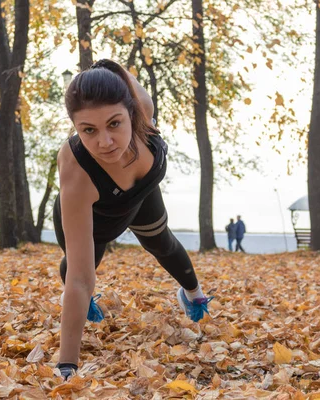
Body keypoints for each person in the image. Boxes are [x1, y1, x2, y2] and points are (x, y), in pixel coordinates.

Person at [53, 59, 213, 381]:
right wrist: (66, 366)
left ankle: (193, 295)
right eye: (88, 130)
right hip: (94, 218)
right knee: (77, 271)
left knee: (164, 243)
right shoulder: (76, 168)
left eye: (114, 124)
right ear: (75, 127)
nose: (104, 142)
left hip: (140, 198)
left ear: (132, 111)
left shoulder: (144, 109)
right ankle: (80, 311)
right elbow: (82, 278)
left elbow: (120, 71)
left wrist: (104, 67)